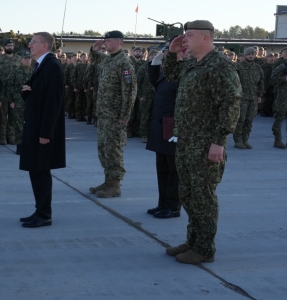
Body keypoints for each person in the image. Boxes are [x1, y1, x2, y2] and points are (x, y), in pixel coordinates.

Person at [162, 20, 241, 264]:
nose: (184, 39)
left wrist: (219, 141)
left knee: (203, 196)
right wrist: (172, 53)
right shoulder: (194, 64)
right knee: (188, 194)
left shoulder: (219, 66)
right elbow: (171, 75)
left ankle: (205, 249)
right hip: (186, 141)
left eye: (190, 35)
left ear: (206, 38)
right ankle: (193, 240)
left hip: (206, 144)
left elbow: (231, 102)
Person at [18, 32, 65, 228]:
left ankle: (45, 214)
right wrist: (26, 92)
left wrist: (46, 132)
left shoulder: (52, 66)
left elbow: (53, 103)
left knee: (41, 171)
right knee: (35, 170)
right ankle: (39, 210)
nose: (30, 45)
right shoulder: (42, 65)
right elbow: (39, 96)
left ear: (44, 45)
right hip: (35, 126)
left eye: (33, 42)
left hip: (41, 131)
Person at [88, 31, 137, 198]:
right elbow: (95, 64)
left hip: (116, 116)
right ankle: (108, 180)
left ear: (117, 42)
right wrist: (94, 51)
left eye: (107, 41)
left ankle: (115, 185)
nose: (104, 44)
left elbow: (129, 92)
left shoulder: (124, 64)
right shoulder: (109, 60)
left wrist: (124, 115)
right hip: (104, 114)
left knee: (114, 149)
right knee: (104, 149)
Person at [145, 46, 180, 218]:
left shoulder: (182, 71)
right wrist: (154, 62)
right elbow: (153, 80)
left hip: (174, 126)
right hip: (162, 125)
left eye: (169, 54)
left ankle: (173, 206)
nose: (166, 56)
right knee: (162, 167)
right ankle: (162, 203)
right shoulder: (167, 72)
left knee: (174, 170)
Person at [233, 48, 263, 149]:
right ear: (245, 55)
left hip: (253, 97)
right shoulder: (238, 67)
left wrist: (260, 95)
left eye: (253, 54)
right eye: (249, 54)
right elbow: (234, 83)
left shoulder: (257, 68)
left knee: (249, 120)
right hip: (242, 97)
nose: (251, 56)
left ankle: (245, 139)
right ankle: (238, 140)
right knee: (241, 119)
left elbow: (261, 83)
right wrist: (237, 96)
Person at [7, 50, 33, 155]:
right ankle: (19, 146)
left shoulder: (35, 72)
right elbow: (10, 87)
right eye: (25, 58)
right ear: (21, 60)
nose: (27, 60)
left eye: (29, 58)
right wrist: (11, 101)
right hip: (18, 102)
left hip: (32, 103)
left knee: (31, 125)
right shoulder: (15, 72)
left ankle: (30, 146)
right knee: (18, 125)